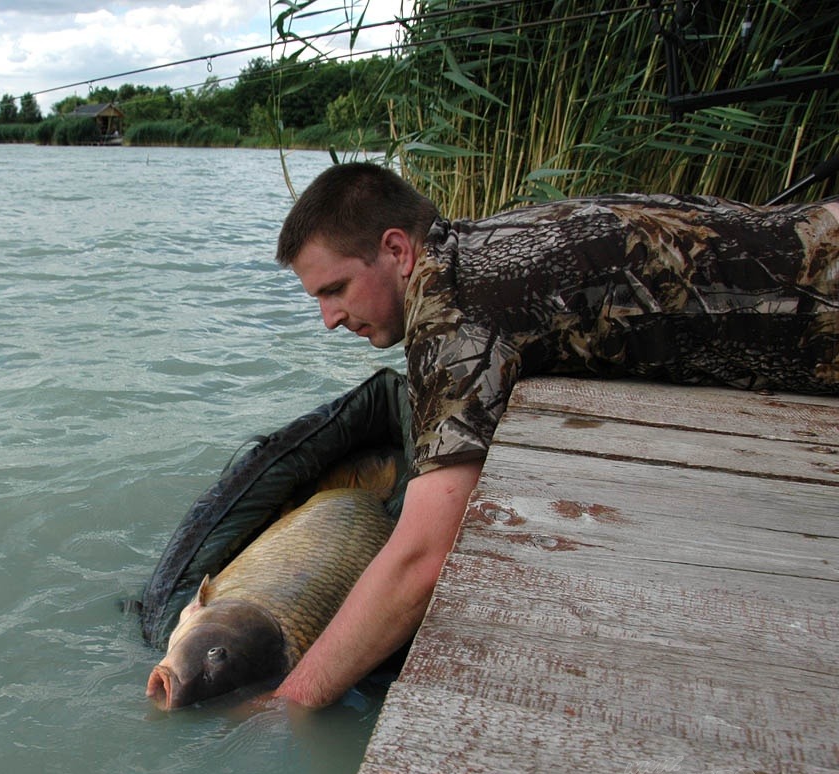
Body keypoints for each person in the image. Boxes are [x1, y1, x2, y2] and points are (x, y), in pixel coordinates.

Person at [272, 161, 839, 707]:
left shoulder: (453, 310)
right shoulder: (477, 245)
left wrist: (289, 701)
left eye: (336, 289)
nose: (329, 319)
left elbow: (422, 558)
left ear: (396, 250)